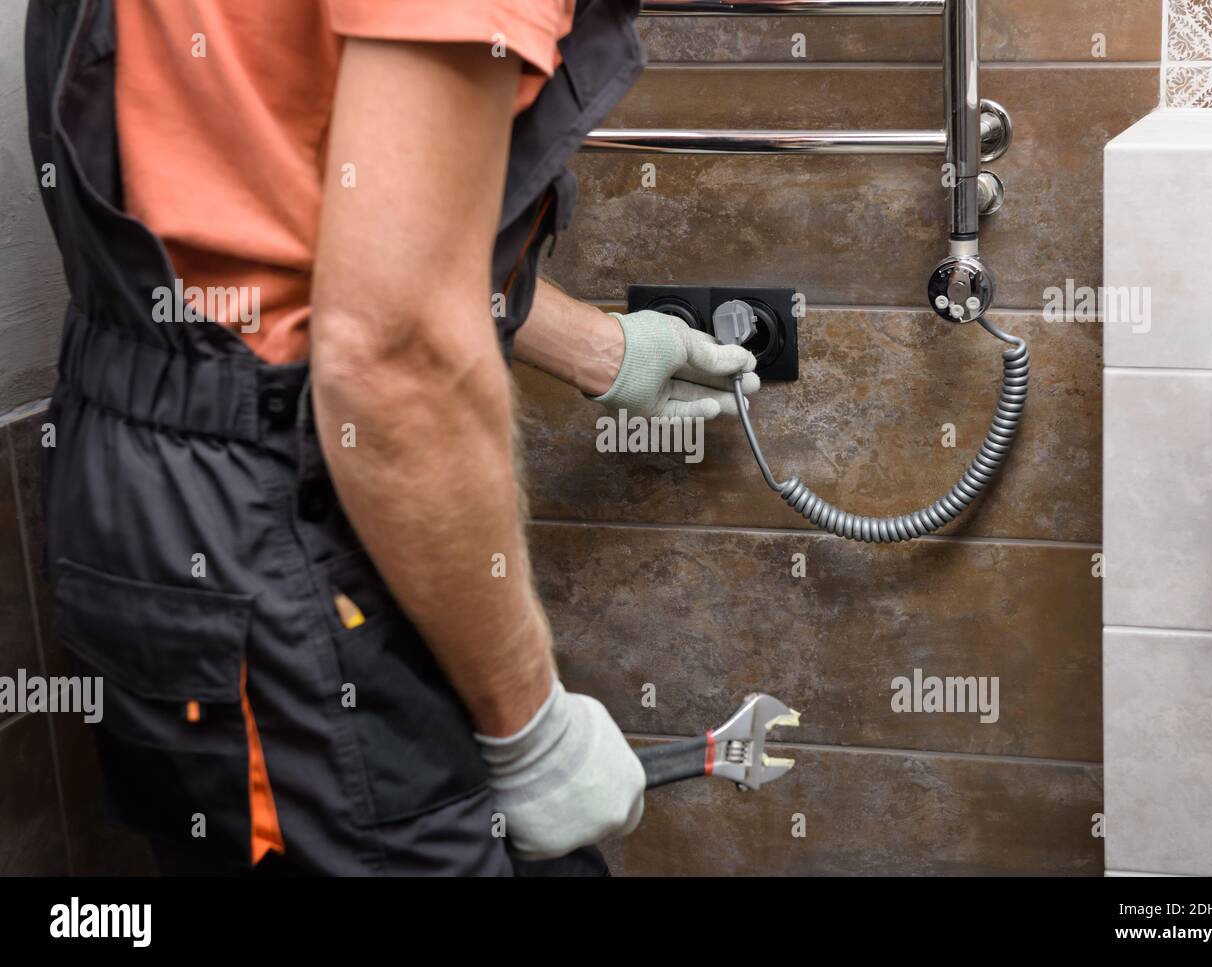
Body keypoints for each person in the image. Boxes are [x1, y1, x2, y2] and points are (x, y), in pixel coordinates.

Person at [25, 0, 758, 875]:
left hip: (152, 489)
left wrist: (601, 350)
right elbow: (390, 346)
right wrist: (534, 732)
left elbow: (300, 203)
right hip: (284, 519)